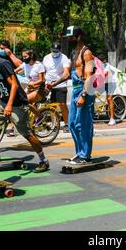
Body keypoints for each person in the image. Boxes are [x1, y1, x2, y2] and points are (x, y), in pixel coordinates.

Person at [0, 45, 50, 172]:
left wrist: (9, 105)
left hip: (18, 104)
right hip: (2, 102)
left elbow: (14, 84)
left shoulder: (2, 64)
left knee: (26, 134)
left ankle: (43, 160)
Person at [64, 26, 96, 165]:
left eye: (71, 37)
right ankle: (79, 152)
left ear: (78, 36)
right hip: (75, 89)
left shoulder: (86, 52)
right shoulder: (74, 52)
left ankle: (85, 155)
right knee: (72, 124)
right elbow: (67, 74)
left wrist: (83, 95)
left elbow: (90, 76)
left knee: (82, 124)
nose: (69, 39)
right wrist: (53, 84)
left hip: (85, 90)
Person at [44, 42, 71, 132]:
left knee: (62, 104)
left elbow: (66, 72)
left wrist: (56, 83)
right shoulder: (46, 58)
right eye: (53, 51)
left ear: (60, 50)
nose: (55, 52)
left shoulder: (64, 58)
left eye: (56, 51)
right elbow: (43, 71)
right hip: (49, 85)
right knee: (51, 106)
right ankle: (54, 124)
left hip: (60, 84)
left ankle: (67, 124)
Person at [98, 54, 117, 126]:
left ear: (104, 61)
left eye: (101, 61)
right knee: (93, 95)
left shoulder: (107, 66)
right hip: (104, 82)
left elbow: (104, 74)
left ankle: (112, 119)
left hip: (111, 82)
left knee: (109, 98)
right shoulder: (98, 65)